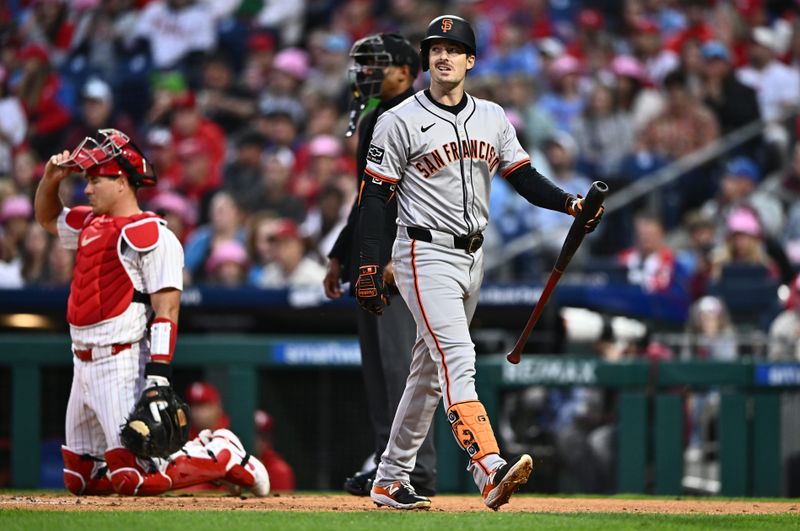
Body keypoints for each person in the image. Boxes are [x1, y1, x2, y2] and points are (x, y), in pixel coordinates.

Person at [354, 16, 603, 510]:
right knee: (457, 357)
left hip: (473, 255)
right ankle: (487, 466)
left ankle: (389, 476)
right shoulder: (397, 119)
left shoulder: (491, 116)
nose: (443, 56)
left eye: (454, 49)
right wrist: (367, 265)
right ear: (426, 60)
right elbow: (375, 199)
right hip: (422, 251)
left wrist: (569, 204)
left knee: (428, 372)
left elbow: (524, 176)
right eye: (435, 49)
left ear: (470, 60)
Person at [33, 128, 269, 497]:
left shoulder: (151, 232)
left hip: (121, 360)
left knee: (134, 477)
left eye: (96, 180)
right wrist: (50, 180)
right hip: (82, 362)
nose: (88, 189)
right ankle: (212, 457)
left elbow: (167, 307)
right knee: (82, 478)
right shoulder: (89, 224)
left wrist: (158, 375)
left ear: (123, 181)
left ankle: (221, 453)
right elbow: (48, 218)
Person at [323, 32, 438, 498]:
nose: (367, 73)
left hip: (398, 266)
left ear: (408, 72)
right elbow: (368, 198)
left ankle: (416, 469)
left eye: (379, 65)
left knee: (402, 372)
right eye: (365, 64)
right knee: (378, 373)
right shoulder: (377, 117)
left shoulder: (416, 116)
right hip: (368, 264)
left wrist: (397, 258)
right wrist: (340, 253)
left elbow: (418, 197)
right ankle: (386, 463)